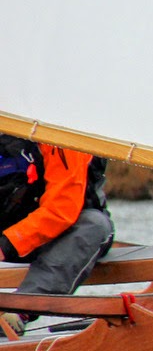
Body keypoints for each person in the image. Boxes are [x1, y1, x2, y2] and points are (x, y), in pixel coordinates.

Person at [0, 136, 113, 337]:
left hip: (62, 235)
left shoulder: (62, 137)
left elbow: (61, 209)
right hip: (11, 230)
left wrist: (6, 244)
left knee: (94, 225)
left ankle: (18, 312)